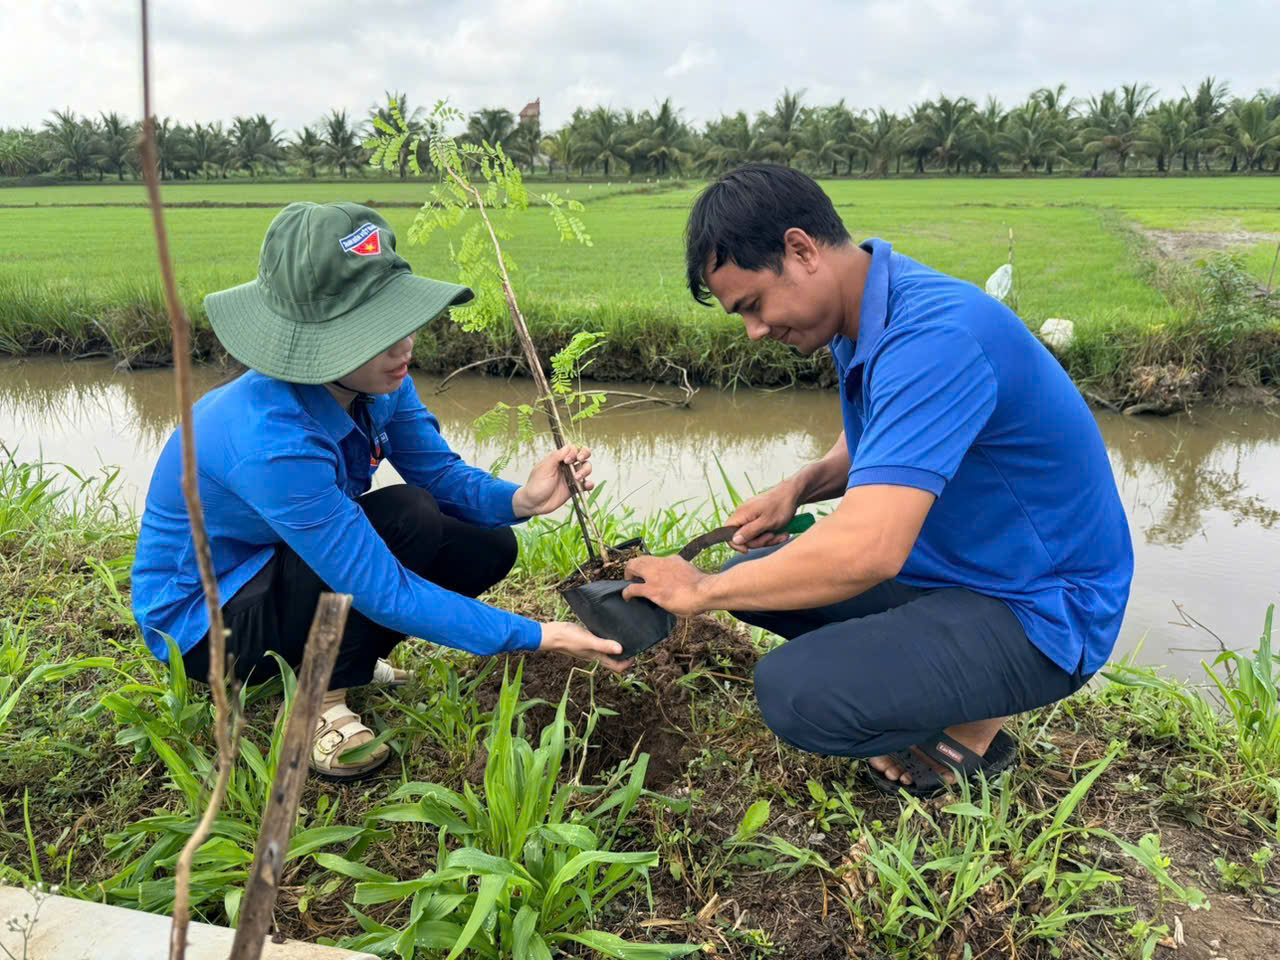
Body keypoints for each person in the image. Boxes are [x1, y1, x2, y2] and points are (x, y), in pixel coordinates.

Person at [623, 164, 1133, 797]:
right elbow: (887, 435)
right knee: (752, 579)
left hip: (1043, 607)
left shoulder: (934, 339)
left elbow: (869, 550)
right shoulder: (866, 310)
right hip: (963, 571)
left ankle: (976, 722)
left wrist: (699, 590)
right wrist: (802, 485)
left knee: (795, 692)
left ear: (801, 250)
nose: (755, 330)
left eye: (753, 305)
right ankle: (943, 677)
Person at [131, 201, 628, 780]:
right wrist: (539, 636)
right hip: (207, 626)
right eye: (377, 332)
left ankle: (350, 656)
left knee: (486, 544)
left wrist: (523, 501)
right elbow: (381, 589)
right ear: (313, 341)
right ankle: (316, 700)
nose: (404, 345)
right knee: (404, 516)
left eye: (402, 319)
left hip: (281, 567)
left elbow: (440, 476)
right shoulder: (271, 441)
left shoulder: (378, 383)